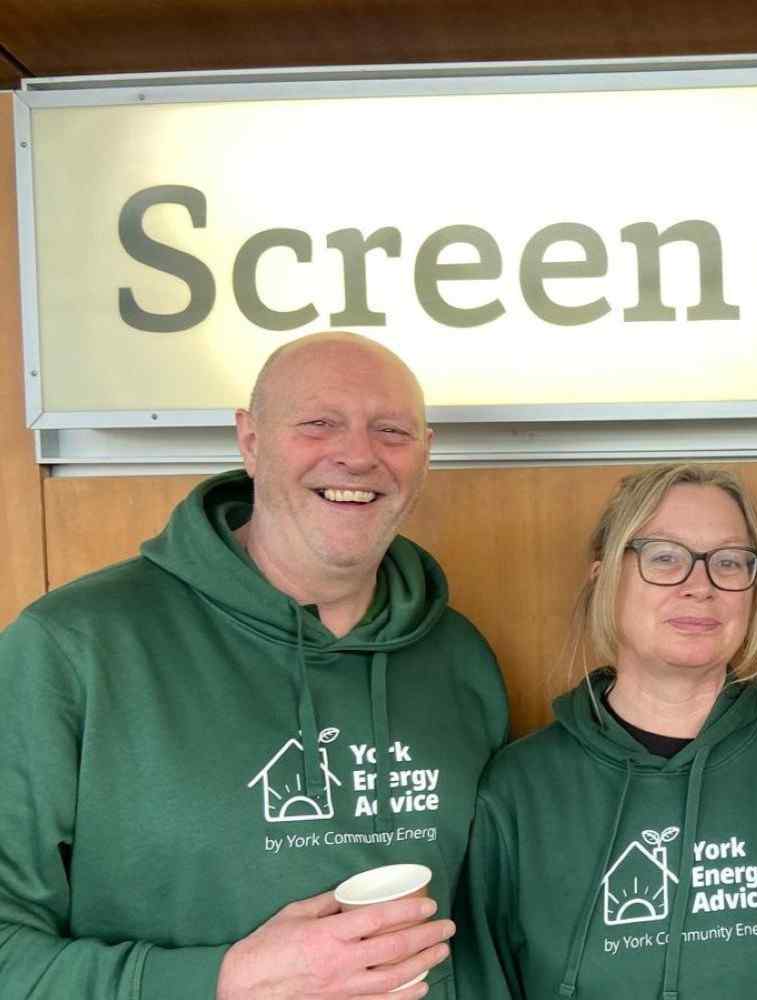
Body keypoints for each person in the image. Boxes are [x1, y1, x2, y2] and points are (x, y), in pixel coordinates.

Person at [0, 331, 508, 999]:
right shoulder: (72, 648)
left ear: (426, 454)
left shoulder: (457, 658)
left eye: (391, 430)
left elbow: (485, 928)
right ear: (250, 440)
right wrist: (220, 980)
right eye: (318, 424)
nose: (358, 455)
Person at [454, 463, 757, 999]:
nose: (700, 587)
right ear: (605, 579)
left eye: (729, 562)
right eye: (664, 557)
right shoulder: (517, 790)